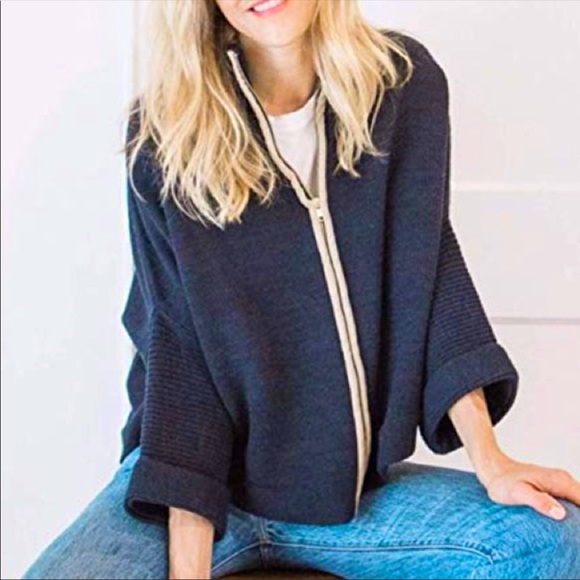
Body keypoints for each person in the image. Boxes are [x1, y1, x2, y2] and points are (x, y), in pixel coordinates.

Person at [21, 1, 580, 579]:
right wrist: (189, 566)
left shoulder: (403, 85)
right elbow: (180, 354)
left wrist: (491, 461)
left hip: (348, 497)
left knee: (546, 538)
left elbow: (431, 274)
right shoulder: (166, 133)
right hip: (189, 491)